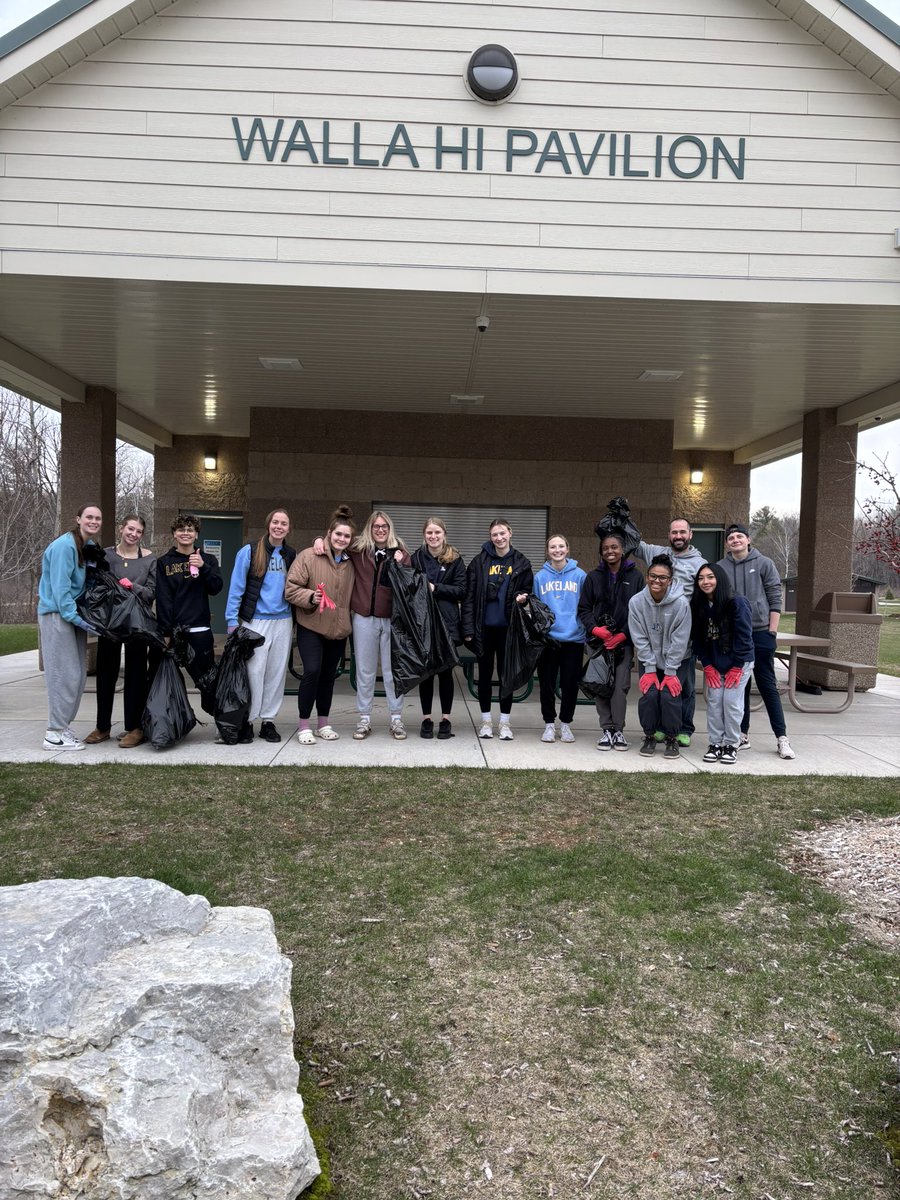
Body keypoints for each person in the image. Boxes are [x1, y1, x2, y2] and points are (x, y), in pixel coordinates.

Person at [717, 523, 795, 760]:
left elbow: (775, 597)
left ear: (748, 540)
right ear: (727, 543)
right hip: (734, 636)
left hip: (760, 633)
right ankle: (742, 735)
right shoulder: (720, 568)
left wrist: (772, 632)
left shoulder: (764, 563)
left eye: (739, 536)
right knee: (740, 686)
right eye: (731, 537)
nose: (735, 540)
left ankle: (782, 738)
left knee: (767, 686)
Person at [83, 513, 157, 748]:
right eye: (130, 529)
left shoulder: (149, 559)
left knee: (136, 675)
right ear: (121, 529)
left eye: (138, 531)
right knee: (106, 674)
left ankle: (135, 728)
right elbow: (94, 584)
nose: (133, 534)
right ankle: (102, 726)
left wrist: (132, 586)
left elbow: (151, 593)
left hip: (137, 624)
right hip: (110, 623)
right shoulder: (106, 555)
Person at [286, 506, 356, 744]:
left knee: (328, 676)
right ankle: (304, 725)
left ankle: (323, 723)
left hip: (338, 629)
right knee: (312, 671)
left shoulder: (351, 561)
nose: (342, 539)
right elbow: (291, 588)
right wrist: (310, 596)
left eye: (346, 536)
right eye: (338, 534)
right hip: (312, 625)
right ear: (329, 533)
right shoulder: (309, 556)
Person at [225, 508, 296, 743]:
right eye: (275, 522)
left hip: (283, 620)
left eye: (283, 523)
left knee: (276, 673)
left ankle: (268, 721)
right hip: (255, 620)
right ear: (268, 524)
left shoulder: (290, 555)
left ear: (288, 528)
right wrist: (232, 620)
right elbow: (236, 587)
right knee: (254, 672)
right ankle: (248, 720)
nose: (279, 526)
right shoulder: (250, 551)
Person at [37, 504, 103, 751]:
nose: (94, 521)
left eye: (98, 518)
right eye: (89, 517)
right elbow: (61, 589)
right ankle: (53, 734)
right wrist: (79, 619)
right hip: (58, 615)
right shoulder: (65, 546)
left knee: (77, 675)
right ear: (78, 519)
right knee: (62, 675)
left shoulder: (86, 547)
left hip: (73, 616)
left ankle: (63, 727)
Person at [634, 517, 704, 746]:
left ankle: (684, 728)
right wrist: (622, 520)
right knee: (657, 688)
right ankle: (659, 728)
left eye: (682, 532)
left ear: (690, 535)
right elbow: (633, 543)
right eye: (674, 532)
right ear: (669, 535)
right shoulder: (657, 553)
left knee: (684, 688)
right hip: (655, 633)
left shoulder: (699, 563)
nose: (678, 536)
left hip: (683, 634)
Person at [461, 518, 533, 740]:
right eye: (495, 534)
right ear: (490, 537)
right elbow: (469, 598)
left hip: (508, 631)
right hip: (483, 629)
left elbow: (527, 590)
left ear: (510, 533)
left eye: (502, 533)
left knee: (506, 676)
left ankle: (504, 723)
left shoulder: (521, 562)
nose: (499, 538)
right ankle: (485, 721)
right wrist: (468, 629)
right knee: (484, 676)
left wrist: (523, 597)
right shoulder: (479, 562)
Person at [344, 511, 410, 740]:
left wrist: (400, 565)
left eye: (384, 526)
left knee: (393, 671)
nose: (380, 530)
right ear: (369, 529)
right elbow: (335, 542)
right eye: (376, 526)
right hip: (364, 617)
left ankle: (396, 718)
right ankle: (364, 718)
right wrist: (318, 540)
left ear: (389, 528)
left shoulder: (400, 552)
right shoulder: (358, 550)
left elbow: (410, 583)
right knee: (365, 670)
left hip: (392, 619)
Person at [577, 531, 645, 751]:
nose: (610, 551)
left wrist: (623, 634)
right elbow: (584, 609)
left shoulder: (636, 577)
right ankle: (606, 730)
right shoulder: (593, 577)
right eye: (605, 548)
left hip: (623, 643)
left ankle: (618, 730)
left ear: (622, 550)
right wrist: (595, 629)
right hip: (598, 643)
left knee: (619, 687)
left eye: (614, 547)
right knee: (600, 686)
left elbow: (640, 612)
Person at [627, 553, 692, 759]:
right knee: (650, 695)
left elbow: (680, 640)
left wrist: (671, 672)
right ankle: (650, 735)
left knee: (670, 696)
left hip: (677, 660)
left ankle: (672, 737)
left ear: (670, 581)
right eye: (653, 576)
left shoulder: (681, 604)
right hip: (650, 659)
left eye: (662, 577)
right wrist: (649, 668)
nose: (657, 580)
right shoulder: (636, 602)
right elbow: (639, 637)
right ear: (647, 577)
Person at [690, 563, 754, 765]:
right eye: (701, 578)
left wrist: (737, 666)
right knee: (715, 702)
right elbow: (698, 640)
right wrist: (707, 665)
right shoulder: (698, 605)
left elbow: (745, 638)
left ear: (720, 579)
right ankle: (715, 744)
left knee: (731, 703)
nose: (705, 582)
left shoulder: (737, 602)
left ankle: (731, 744)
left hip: (739, 663)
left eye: (710, 577)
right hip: (716, 664)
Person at [411, 517, 466, 740]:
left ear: (444, 534)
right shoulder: (416, 558)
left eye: (437, 532)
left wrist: (436, 588)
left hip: (447, 624)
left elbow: (462, 590)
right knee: (426, 674)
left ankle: (445, 719)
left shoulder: (456, 559)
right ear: (424, 535)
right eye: (429, 533)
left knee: (445, 673)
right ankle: (426, 719)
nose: (433, 536)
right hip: (422, 623)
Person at [155, 513, 223, 692]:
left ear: (196, 534)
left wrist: (203, 567)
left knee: (208, 684)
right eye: (181, 529)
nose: (185, 533)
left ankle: (214, 709)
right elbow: (163, 599)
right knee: (171, 686)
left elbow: (216, 588)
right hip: (175, 633)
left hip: (200, 631)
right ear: (174, 534)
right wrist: (165, 632)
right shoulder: (164, 563)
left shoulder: (208, 560)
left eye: (190, 530)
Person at [534, 535, 585, 743]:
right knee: (546, 683)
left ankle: (565, 724)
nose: (557, 550)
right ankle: (548, 724)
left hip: (573, 638)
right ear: (547, 551)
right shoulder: (540, 578)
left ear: (567, 549)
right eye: (553, 547)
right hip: (548, 640)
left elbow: (585, 606)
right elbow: (537, 609)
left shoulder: (580, 575)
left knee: (570, 684)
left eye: (561, 546)